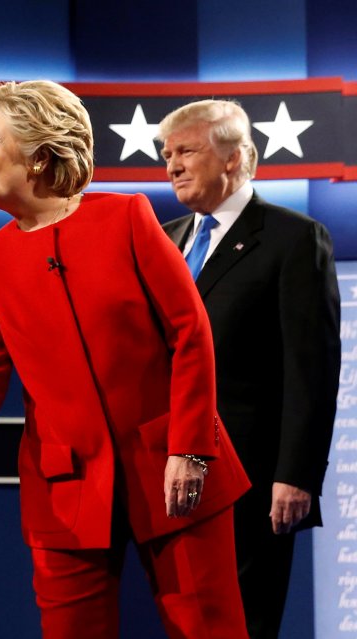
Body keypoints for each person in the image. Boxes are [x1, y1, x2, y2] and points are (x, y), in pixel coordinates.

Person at [0, 81, 251, 638]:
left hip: (174, 469)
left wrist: (189, 448)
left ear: (40, 155)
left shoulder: (127, 218)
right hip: (64, 490)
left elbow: (190, 333)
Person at [158, 100, 341, 639]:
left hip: (252, 479)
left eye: (186, 151)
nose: (172, 165)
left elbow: (311, 368)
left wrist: (296, 474)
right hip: (168, 477)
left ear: (235, 157)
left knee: (245, 623)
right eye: (167, 154)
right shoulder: (164, 240)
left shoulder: (292, 238)